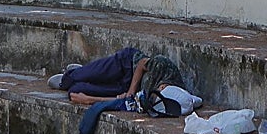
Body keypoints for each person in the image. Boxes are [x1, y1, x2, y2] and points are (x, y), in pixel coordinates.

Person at [48, 47, 187, 105]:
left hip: (124, 89)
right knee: (73, 79)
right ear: (164, 85)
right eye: (161, 89)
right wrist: (131, 92)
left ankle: (81, 76)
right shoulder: (165, 68)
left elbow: (127, 103)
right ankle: (69, 76)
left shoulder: (157, 103)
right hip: (127, 65)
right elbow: (142, 64)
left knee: (75, 91)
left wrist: (89, 99)